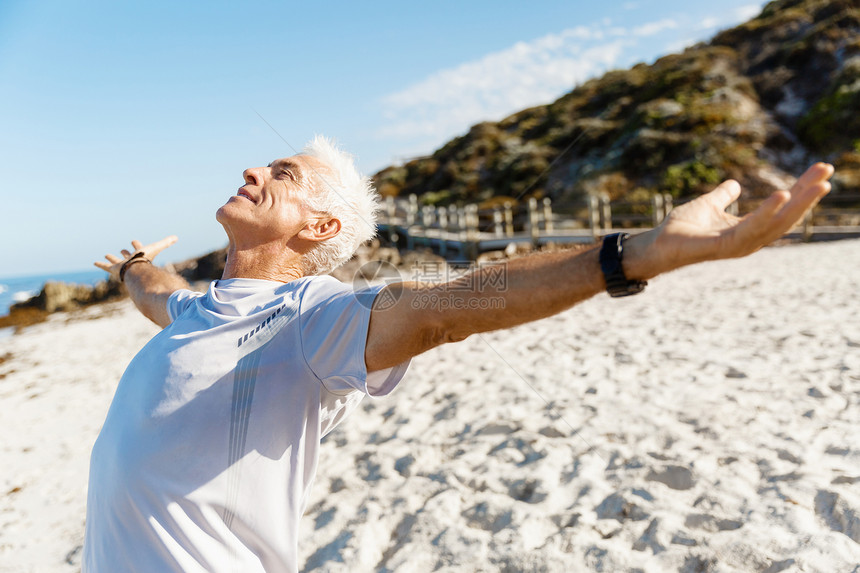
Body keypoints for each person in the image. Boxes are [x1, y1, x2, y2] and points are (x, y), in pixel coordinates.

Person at [85, 135, 834, 572]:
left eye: (282, 176)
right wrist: (131, 267)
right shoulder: (193, 309)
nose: (252, 172)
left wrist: (635, 254)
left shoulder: (312, 319)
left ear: (319, 228)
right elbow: (158, 290)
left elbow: (450, 306)